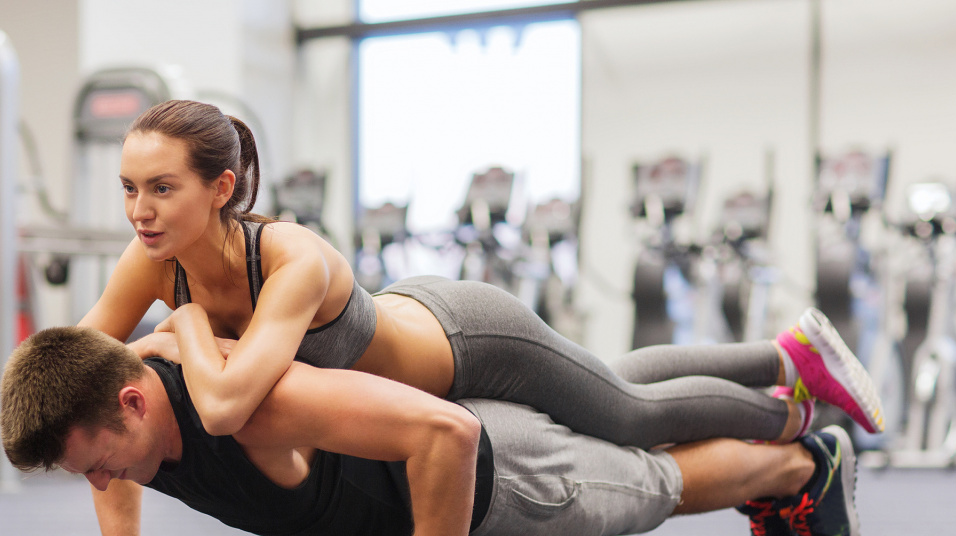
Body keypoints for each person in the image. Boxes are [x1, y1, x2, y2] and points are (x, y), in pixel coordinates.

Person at [81, 99, 883, 451]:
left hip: (470, 339)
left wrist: (177, 336)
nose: (140, 211)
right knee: (611, 377)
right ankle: (786, 355)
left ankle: (798, 417)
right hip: (425, 351)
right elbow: (72, 365)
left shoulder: (285, 253)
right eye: (128, 189)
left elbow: (230, 401)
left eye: (162, 189)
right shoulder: (151, 264)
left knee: (628, 417)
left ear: (221, 189)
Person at [1, 327, 859, 536]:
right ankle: (777, 369)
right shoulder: (139, 399)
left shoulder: (249, 408)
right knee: (617, 389)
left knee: (653, 484)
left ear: (133, 403)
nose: (108, 480)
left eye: (104, 461)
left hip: (500, 481)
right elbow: (111, 471)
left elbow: (445, 434)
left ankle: (800, 462)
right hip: (464, 455)